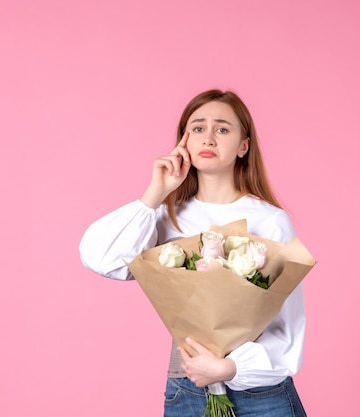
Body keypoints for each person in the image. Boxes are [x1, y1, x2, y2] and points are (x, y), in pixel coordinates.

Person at [79, 89, 307, 417]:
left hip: (261, 395)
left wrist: (229, 369)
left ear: (244, 145)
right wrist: (155, 193)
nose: (209, 138)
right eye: (198, 128)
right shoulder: (163, 215)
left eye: (223, 129)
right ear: (183, 141)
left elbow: (288, 324)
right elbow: (100, 258)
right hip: (188, 389)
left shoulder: (270, 220)